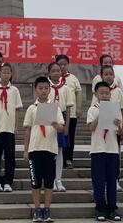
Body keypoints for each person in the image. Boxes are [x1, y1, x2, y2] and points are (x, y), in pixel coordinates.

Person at [23, 76, 64, 223]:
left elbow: (61, 128)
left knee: (48, 182)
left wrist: (55, 124)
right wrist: (26, 150)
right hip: (35, 149)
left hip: (50, 149)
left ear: (50, 90)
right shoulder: (31, 108)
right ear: (36, 90)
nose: (43, 91)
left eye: (46, 88)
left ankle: (47, 210)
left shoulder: (55, 108)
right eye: (40, 88)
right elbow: (27, 130)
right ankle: (37, 210)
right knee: (35, 182)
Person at [88, 81, 122, 222]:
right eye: (101, 93)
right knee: (99, 181)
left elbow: (119, 131)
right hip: (98, 149)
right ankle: (100, 208)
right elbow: (91, 127)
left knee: (112, 180)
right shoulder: (93, 109)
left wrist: (118, 125)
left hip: (112, 149)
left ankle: (112, 208)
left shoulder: (115, 109)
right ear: (96, 94)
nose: (105, 95)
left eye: (107, 93)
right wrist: (101, 114)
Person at [0, 62, 22, 192]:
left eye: (8, 72)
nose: (6, 74)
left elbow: (17, 110)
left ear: (11, 74)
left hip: (9, 128)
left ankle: (8, 181)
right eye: (4, 72)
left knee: (10, 157)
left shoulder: (14, 90)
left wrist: (16, 126)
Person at [99, 65, 123, 193]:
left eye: (111, 74)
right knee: (104, 156)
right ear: (101, 76)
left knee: (116, 156)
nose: (109, 76)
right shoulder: (98, 91)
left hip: (115, 129)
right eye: (106, 74)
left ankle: (115, 180)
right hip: (102, 129)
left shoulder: (118, 91)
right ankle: (104, 181)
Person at [48, 61, 74, 192]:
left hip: (62, 118)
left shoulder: (66, 88)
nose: (56, 73)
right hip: (49, 116)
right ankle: (50, 179)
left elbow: (69, 109)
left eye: (58, 70)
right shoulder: (46, 87)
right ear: (49, 73)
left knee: (59, 151)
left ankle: (58, 179)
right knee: (50, 151)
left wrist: (67, 126)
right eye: (53, 71)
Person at [56, 54, 83, 169]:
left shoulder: (73, 78)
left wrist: (79, 108)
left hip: (70, 114)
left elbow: (78, 93)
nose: (62, 67)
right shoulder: (52, 78)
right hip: (56, 114)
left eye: (64, 64)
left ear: (68, 65)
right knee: (56, 136)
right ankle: (56, 159)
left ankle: (68, 159)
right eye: (60, 64)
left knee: (69, 136)